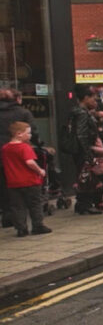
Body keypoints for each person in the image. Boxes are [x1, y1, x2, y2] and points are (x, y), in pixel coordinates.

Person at [2, 121, 51, 236]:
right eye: (28, 133)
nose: (30, 135)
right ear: (19, 134)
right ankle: (38, 225)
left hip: (13, 182)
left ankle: (21, 228)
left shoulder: (5, 148)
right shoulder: (24, 147)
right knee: (35, 204)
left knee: (17, 206)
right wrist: (40, 170)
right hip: (30, 181)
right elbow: (29, 162)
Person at [0, 88, 36, 227]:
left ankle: (8, 216)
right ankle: (24, 220)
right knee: (22, 185)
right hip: (19, 155)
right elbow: (33, 131)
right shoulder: (22, 113)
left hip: (2, 156)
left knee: (4, 186)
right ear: (16, 99)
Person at [67, 84, 103, 215]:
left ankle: (83, 204)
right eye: (92, 97)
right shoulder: (82, 113)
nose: (95, 101)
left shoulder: (77, 111)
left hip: (80, 150)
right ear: (86, 98)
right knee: (86, 176)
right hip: (83, 150)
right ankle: (84, 204)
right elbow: (81, 134)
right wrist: (88, 153)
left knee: (86, 176)